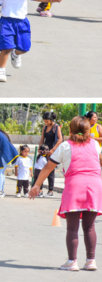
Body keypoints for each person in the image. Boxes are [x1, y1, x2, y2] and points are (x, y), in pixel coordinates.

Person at [29, 116, 102, 271]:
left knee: (72, 228)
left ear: (70, 130)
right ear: (89, 130)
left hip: (75, 185)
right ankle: (91, 261)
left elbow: (48, 167)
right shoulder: (95, 144)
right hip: (95, 185)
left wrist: (36, 185)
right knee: (89, 227)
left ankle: (72, 261)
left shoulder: (65, 146)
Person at [39, 111, 63, 196]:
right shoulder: (45, 127)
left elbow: (60, 139)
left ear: (51, 119)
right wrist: (39, 147)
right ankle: (40, 190)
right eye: (45, 121)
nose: (46, 122)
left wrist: (53, 149)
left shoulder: (56, 127)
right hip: (44, 150)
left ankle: (50, 191)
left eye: (47, 121)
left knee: (50, 171)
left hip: (52, 151)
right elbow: (42, 139)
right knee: (40, 170)